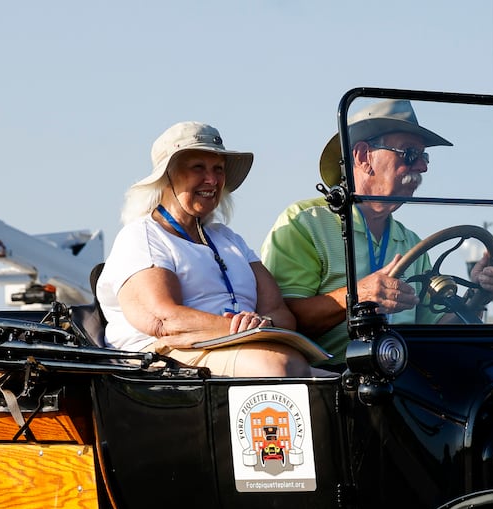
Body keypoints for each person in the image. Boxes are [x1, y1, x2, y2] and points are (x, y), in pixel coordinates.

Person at [261, 99, 493, 361]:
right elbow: (280, 322)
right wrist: (359, 297)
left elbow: (436, 333)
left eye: (424, 156)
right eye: (409, 153)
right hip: (331, 382)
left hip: (401, 381)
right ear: (363, 156)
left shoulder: (411, 242)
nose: (422, 166)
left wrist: (479, 294)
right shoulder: (305, 224)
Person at [98, 122, 324, 377]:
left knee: (349, 386)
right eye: (198, 168)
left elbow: (280, 314)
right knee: (278, 366)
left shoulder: (229, 239)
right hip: (163, 360)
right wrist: (240, 329)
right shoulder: (142, 236)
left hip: (242, 349)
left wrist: (263, 324)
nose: (213, 180)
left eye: (218, 169)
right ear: (168, 176)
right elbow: (164, 322)